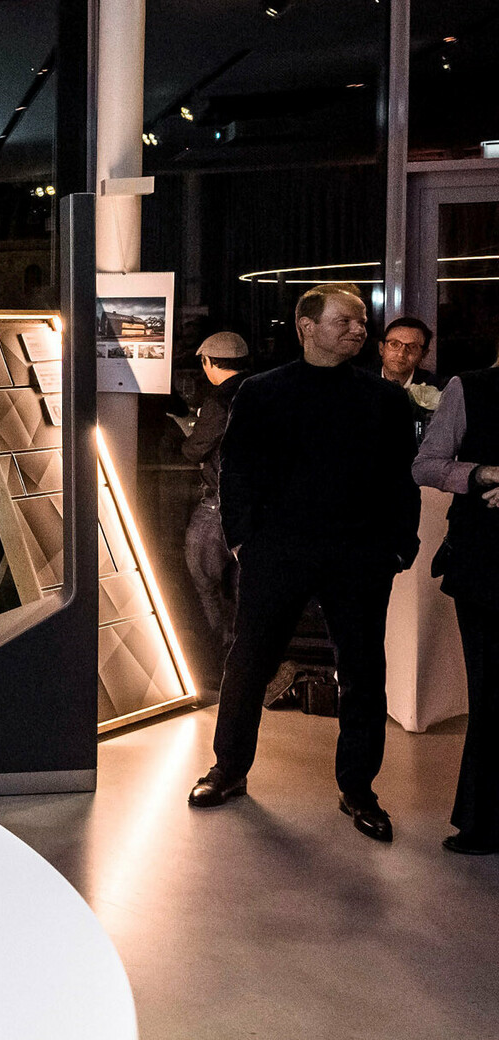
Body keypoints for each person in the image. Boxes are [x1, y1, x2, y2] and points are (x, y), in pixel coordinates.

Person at [189, 284, 418, 842]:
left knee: (364, 673)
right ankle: (229, 770)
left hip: (360, 554)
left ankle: (359, 788)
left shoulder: (385, 398)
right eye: (346, 321)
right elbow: (236, 470)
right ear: (306, 327)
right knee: (249, 663)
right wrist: (244, 540)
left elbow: (399, 480)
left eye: (362, 321)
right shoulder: (264, 391)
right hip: (279, 550)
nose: (359, 330)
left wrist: (398, 546)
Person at [410, 366, 499, 854]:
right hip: (486, 564)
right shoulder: (472, 388)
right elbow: (425, 465)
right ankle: (483, 820)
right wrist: (482, 473)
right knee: (489, 694)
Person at [179, 331, 250, 659]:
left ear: (208, 362)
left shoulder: (219, 400)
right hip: (254, 506)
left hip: (218, 505)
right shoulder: (259, 390)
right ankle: (244, 651)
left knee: (204, 578)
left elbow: (195, 450)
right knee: (241, 585)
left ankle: (221, 652)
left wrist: (188, 436)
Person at [368, 315, 441, 439]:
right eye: (394, 344)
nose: (401, 354)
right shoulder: (362, 381)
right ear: (381, 348)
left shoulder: (435, 387)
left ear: (424, 354)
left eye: (412, 347)